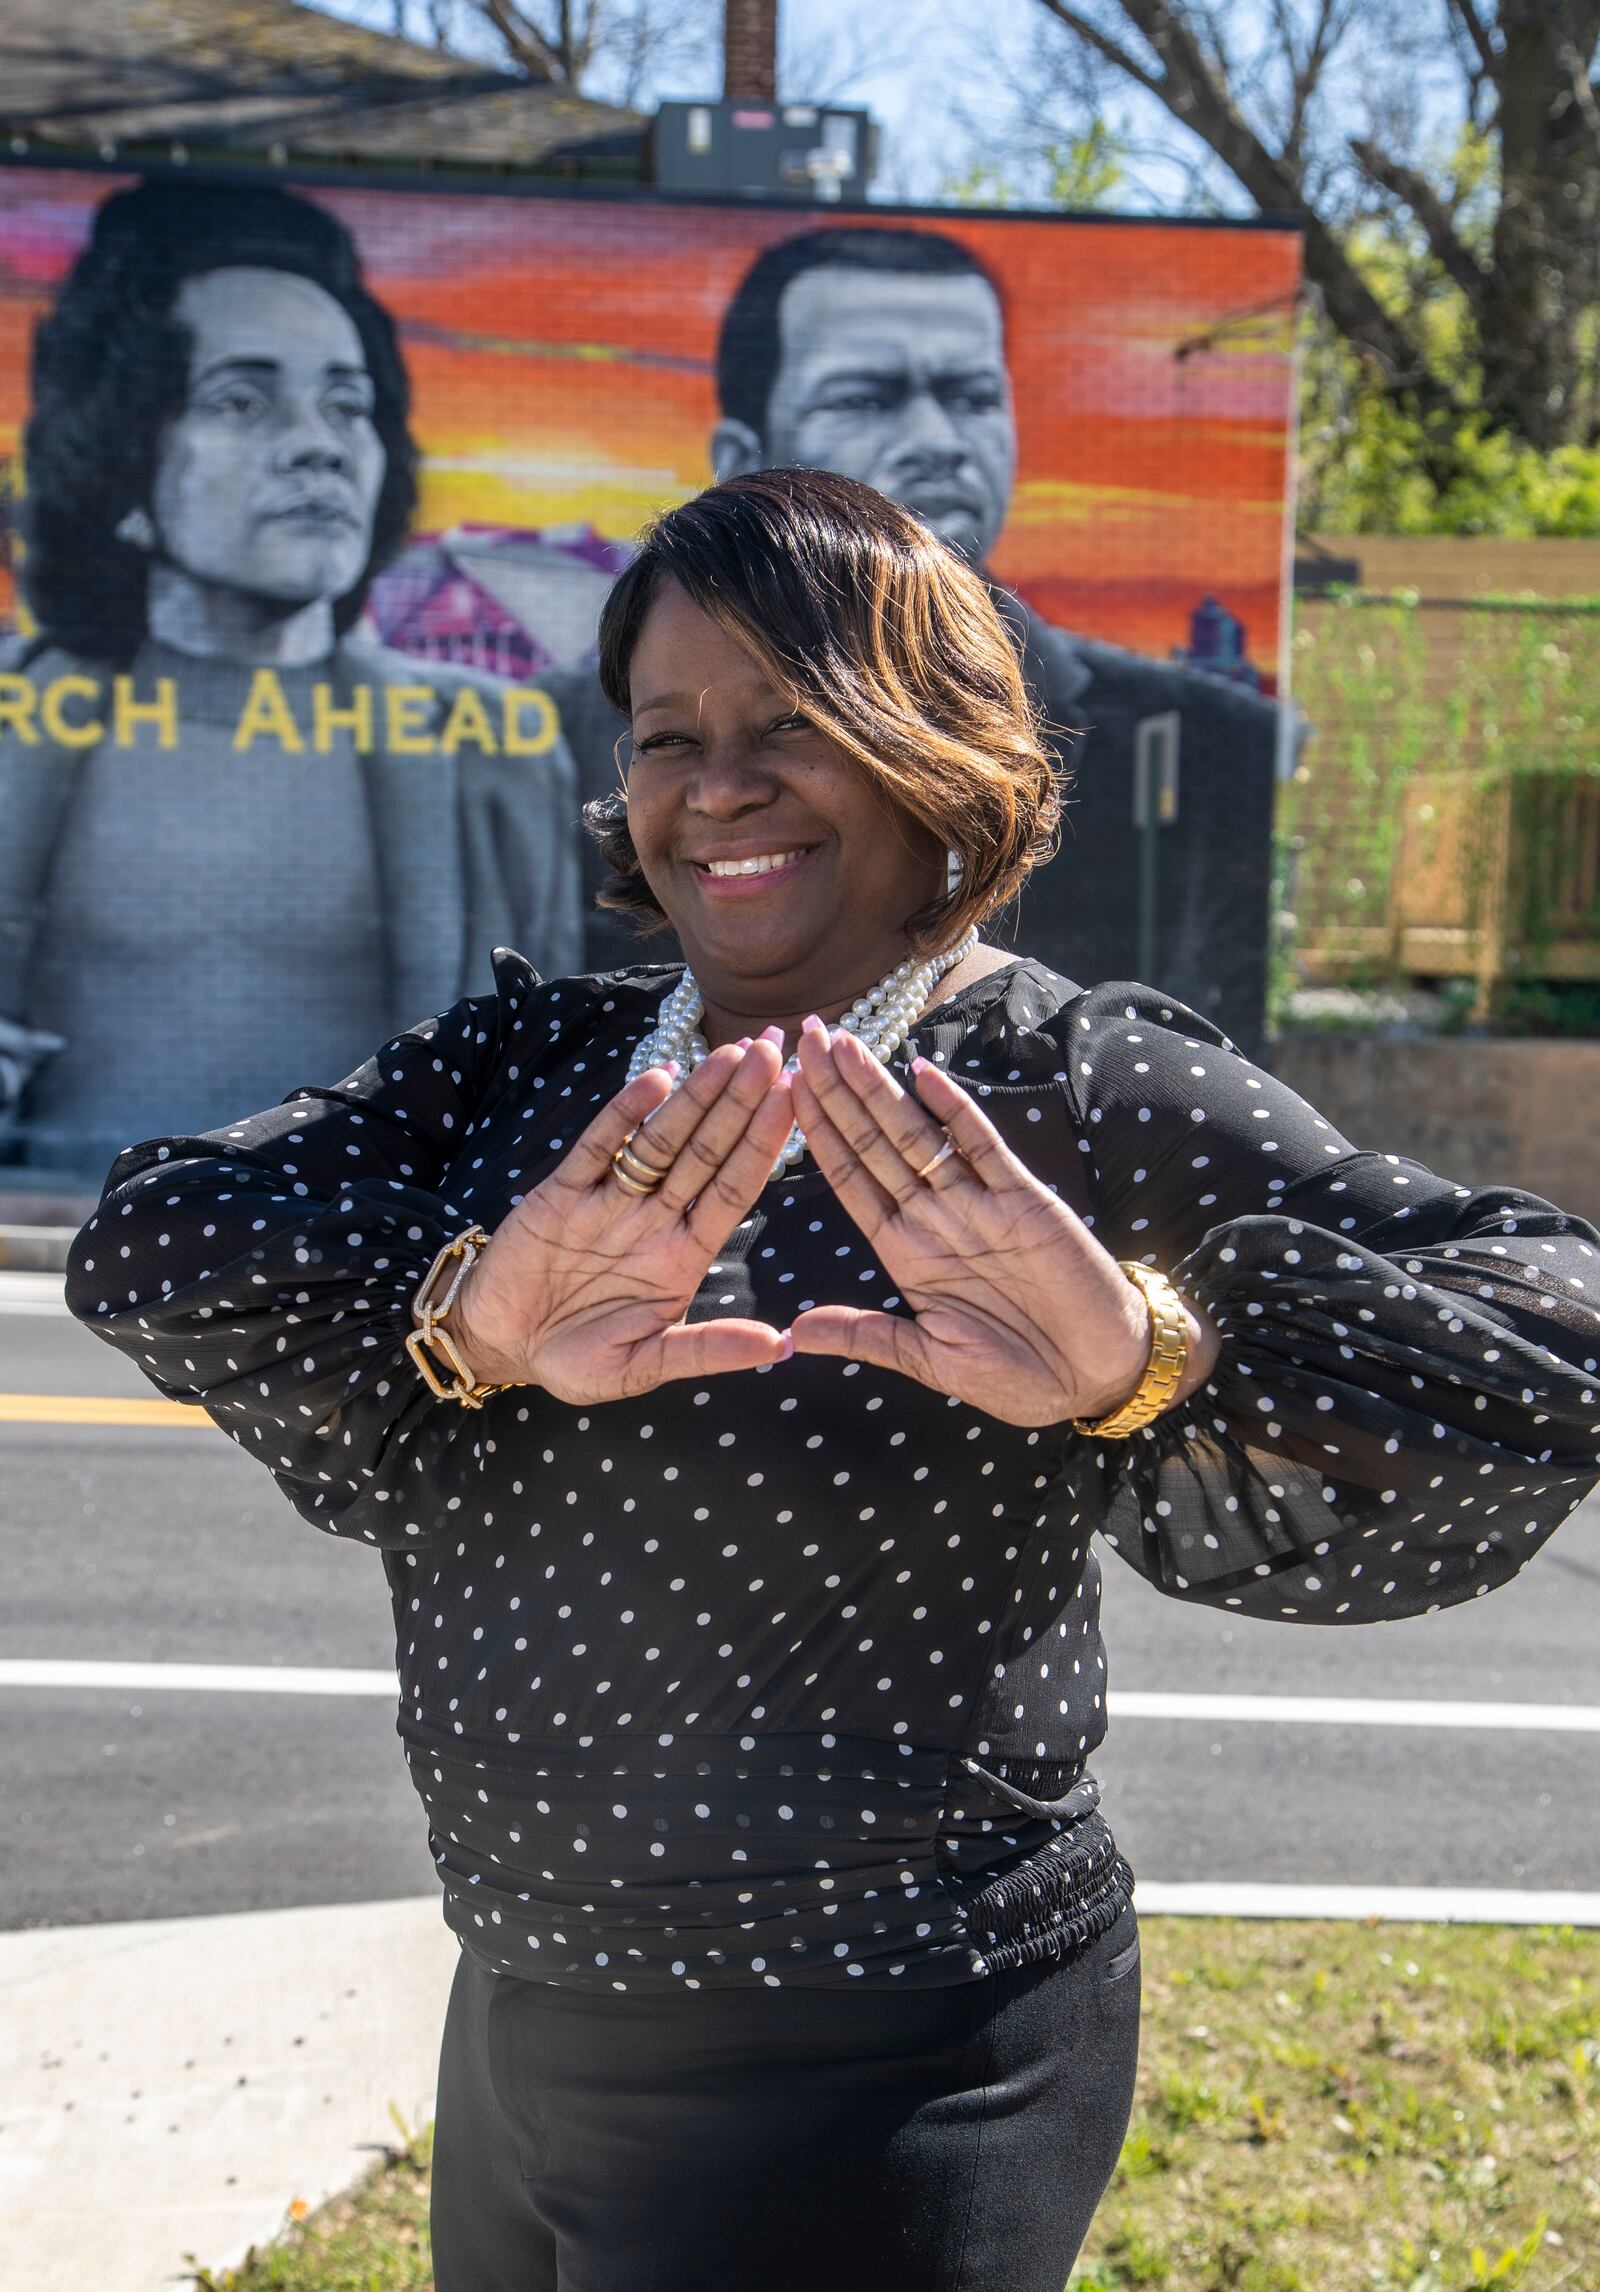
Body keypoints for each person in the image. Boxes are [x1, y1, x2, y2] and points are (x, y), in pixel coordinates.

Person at [67, 470, 1600, 2292]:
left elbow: (1552, 1321)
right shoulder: (534, 1069)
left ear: (932, 753)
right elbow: (155, 1239)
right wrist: (471, 1315)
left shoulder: (1057, 1089)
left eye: (794, 723)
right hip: (531, 2011)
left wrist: (1141, 1353)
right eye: (667, 734)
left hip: (892, 2048)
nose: (716, 783)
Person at [550, 223, 1280, 1039]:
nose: (938, 442)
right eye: (865, 398)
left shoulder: (1214, 738)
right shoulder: (565, 742)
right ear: (739, 461)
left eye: (970, 397)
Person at [0, 178, 582, 1174]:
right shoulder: (19, 723)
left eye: (345, 405)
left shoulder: (490, 751)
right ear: (123, 455)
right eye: (241, 399)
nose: (317, 446)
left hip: (372, 1276)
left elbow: (558, 1075)